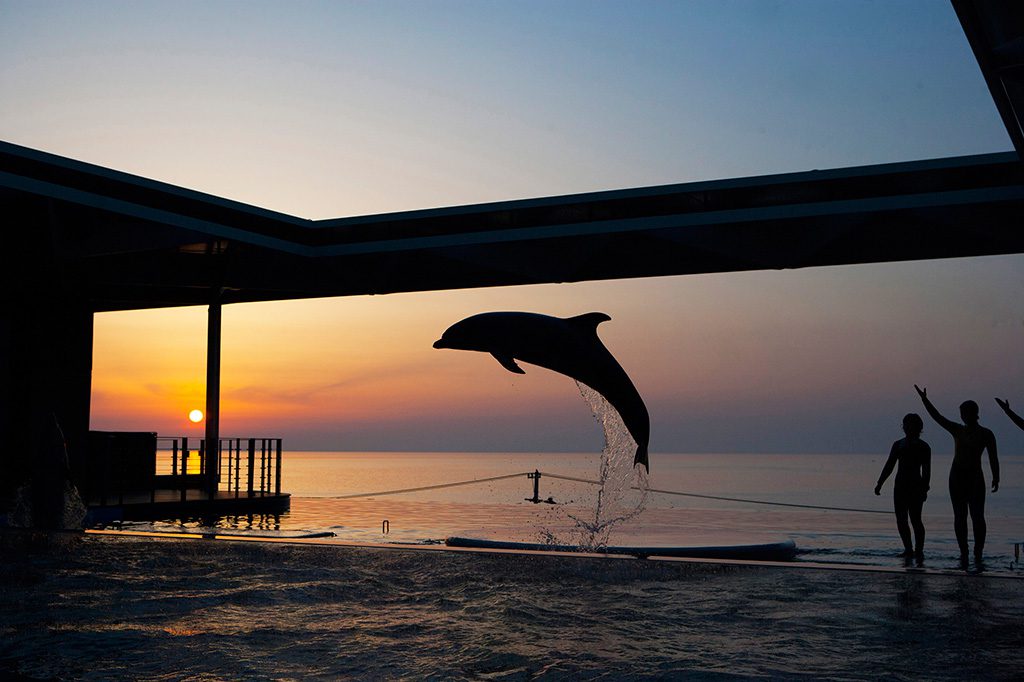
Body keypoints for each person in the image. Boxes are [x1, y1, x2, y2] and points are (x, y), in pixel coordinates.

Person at [915, 385, 999, 565]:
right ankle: (964, 552)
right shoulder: (957, 430)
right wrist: (925, 399)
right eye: (962, 413)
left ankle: (978, 551)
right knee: (960, 515)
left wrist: (996, 476)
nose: (962, 416)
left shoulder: (986, 434)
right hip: (957, 476)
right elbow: (938, 417)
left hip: (975, 477)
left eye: (964, 413)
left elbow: (993, 457)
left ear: (973, 413)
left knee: (977, 516)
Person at [875, 413, 931, 560]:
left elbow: (926, 470)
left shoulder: (923, 447)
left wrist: (925, 488)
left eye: (910, 425)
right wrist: (880, 483)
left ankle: (919, 550)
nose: (907, 427)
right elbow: (889, 465)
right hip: (900, 486)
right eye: (905, 425)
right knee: (901, 519)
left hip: (915, 487)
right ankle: (908, 549)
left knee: (916, 519)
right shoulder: (898, 444)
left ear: (918, 427)